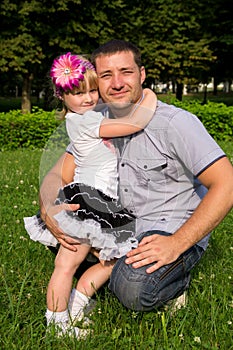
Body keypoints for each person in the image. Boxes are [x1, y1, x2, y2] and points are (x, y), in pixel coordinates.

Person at [39, 40, 233, 313]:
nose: (117, 83)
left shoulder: (174, 123)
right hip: (120, 226)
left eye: (126, 72)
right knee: (64, 236)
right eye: (106, 75)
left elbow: (227, 183)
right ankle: (108, 272)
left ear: (142, 74)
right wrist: (49, 207)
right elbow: (57, 173)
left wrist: (177, 242)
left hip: (168, 229)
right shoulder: (96, 119)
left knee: (133, 287)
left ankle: (175, 280)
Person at [24, 51, 157, 337]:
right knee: (66, 264)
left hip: (103, 204)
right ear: (61, 96)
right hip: (88, 201)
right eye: (77, 93)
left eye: (92, 90)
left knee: (112, 260)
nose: (87, 98)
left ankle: (78, 301)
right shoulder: (82, 121)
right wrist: (149, 98)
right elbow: (133, 124)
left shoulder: (89, 116)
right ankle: (58, 324)